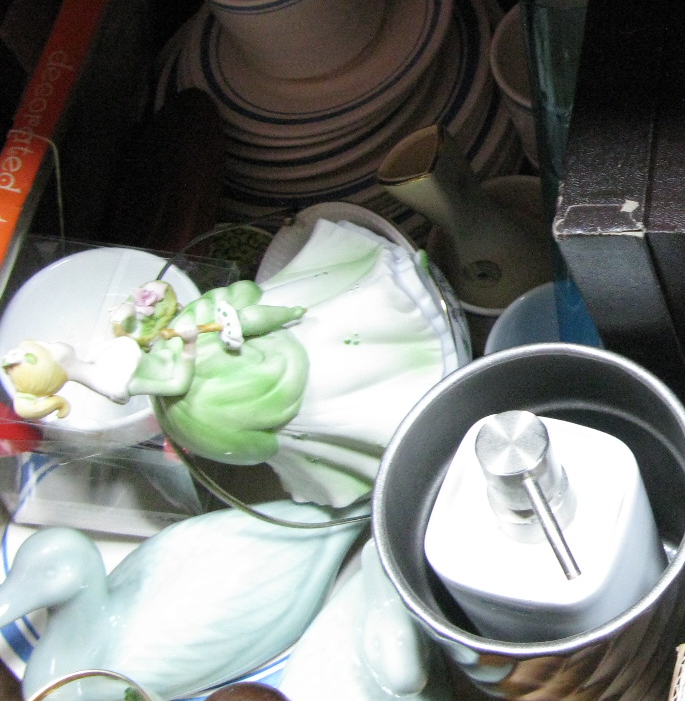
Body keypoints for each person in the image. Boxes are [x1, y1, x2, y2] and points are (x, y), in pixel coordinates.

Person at [3, 218, 460, 508]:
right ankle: (411, 366)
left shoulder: (100, 356)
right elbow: (171, 378)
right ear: (52, 367)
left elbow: (142, 330)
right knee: (304, 378)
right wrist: (181, 343)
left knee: (295, 321)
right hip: (207, 386)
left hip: (198, 353)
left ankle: (379, 304)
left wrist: (149, 319)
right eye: (40, 353)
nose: (49, 345)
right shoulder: (107, 373)